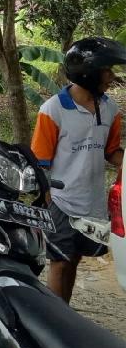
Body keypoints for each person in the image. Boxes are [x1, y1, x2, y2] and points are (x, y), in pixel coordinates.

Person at [31, 36, 126, 304]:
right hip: (62, 201)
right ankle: (54, 318)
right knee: (59, 263)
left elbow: (111, 152)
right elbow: (40, 162)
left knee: (73, 260)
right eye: (107, 70)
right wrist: (49, 201)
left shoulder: (110, 109)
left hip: (92, 202)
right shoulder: (53, 110)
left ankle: (64, 311)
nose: (112, 77)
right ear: (89, 72)